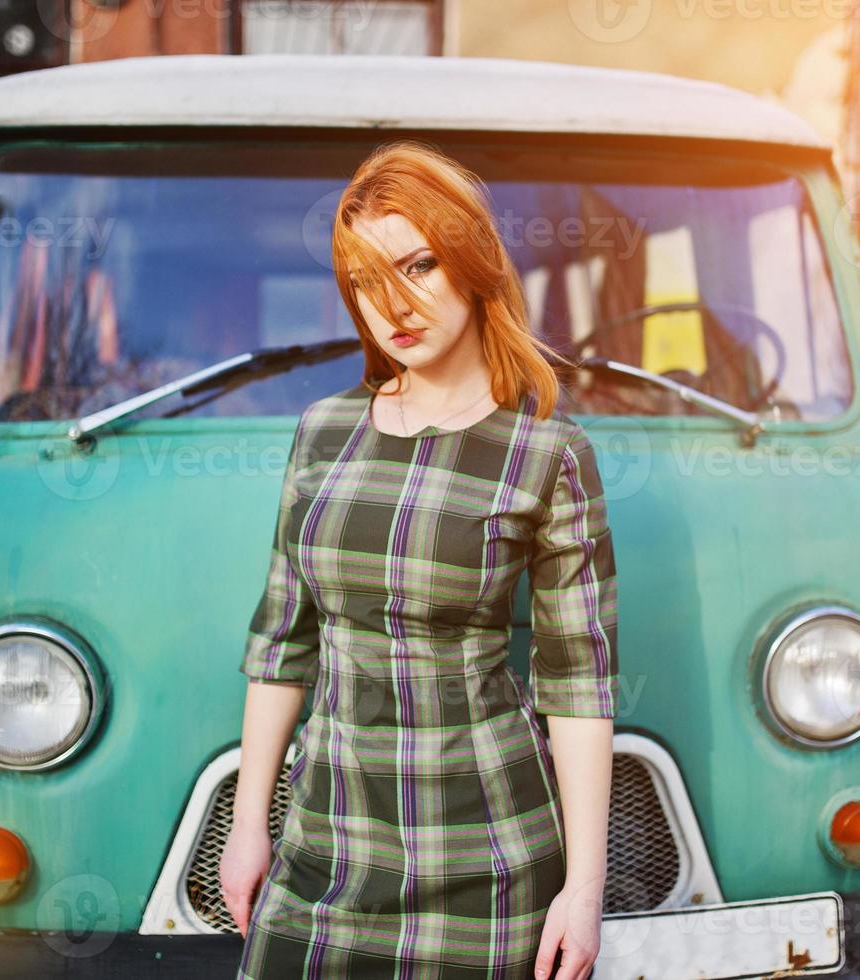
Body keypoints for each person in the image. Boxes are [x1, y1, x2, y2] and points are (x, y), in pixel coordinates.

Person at [220, 140, 619, 980]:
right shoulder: (322, 433)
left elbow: (577, 682)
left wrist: (582, 888)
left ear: (472, 262)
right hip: (326, 844)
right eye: (366, 282)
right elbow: (281, 643)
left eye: (419, 265)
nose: (392, 304)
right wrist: (247, 820)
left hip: (489, 853)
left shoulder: (546, 454)